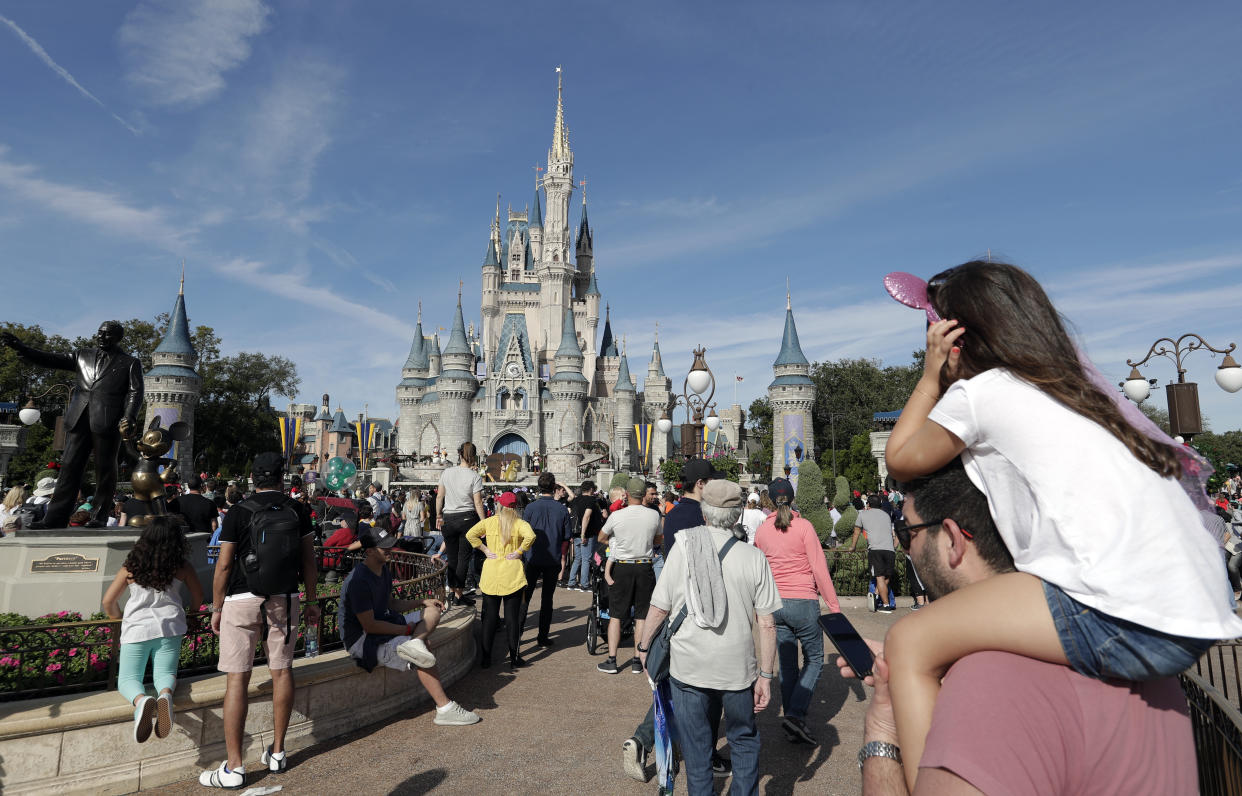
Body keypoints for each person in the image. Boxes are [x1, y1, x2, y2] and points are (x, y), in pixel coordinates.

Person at [880, 260, 1241, 788]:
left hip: (1117, 614)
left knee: (910, 643)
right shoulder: (1074, 393)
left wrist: (932, 373)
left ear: (956, 338)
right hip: (1194, 620)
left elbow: (901, 458)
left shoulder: (983, 393)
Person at [845, 459, 1195, 794]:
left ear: (953, 539)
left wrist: (882, 735)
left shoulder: (986, 680)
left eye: (907, 532)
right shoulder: (1130, 649)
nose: (907, 547)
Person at [637, 479, 780, 796]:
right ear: (737, 515)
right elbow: (767, 623)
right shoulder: (753, 557)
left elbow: (659, 607)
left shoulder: (683, 548)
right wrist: (766, 675)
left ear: (704, 513)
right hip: (737, 669)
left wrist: (644, 647)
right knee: (743, 739)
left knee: (697, 746)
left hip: (689, 666)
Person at [200, 452, 319, 789]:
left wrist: (217, 606)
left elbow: (223, 565)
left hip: (241, 597)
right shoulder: (298, 510)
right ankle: (279, 752)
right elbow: (309, 562)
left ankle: (235, 766)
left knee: (237, 680)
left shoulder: (238, 511)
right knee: (282, 672)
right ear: (283, 477)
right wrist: (311, 601)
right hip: (285, 596)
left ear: (253, 478)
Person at [1, 322, 143, 528]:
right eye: (99, 333)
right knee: (68, 467)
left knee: (104, 470)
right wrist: (22, 348)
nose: (101, 337)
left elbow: (135, 391)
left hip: (107, 420)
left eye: (106, 334)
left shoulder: (129, 362)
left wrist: (129, 416)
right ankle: (54, 518)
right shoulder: (82, 355)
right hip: (78, 417)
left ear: (117, 338)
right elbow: (51, 359)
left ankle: (99, 515)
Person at [341, 527, 480, 726]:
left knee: (432, 610)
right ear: (369, 551)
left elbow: (391, 604)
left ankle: (415, 642)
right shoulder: (358, 581)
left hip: (384, 624)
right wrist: (405, 631)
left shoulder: (382, 568)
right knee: (422, 651)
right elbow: (370, 626)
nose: (390, 550)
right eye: (384, 548)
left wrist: (422, 602)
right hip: (362, 641)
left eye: (390, 545)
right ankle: (444, 708)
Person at [101, 516, 204, 744]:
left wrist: (119, 622)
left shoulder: (132, 566)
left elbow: (109, 601)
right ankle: (165, 694)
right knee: (165, 674)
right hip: (170, 625)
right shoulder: (182, 565)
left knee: (128, 679)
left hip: (137, 627)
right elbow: (198, 595)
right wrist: (194, 614)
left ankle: (141, 702)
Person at [754, 477, 841, 745]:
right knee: (814, 659)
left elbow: (757, 569)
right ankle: (795, 713)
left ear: (768, 499)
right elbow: (818, 568)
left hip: (775, 604)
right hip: (803, 600)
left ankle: (793, 719)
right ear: (792, 498)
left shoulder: (761, 531)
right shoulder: (804, 526)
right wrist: (834, 607)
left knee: (788, 663)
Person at [596, 477, 662, 675]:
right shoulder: (653, 516)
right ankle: (636, 658)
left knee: (616, 614)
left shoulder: (617, 516)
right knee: (641, 615)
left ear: (627, 494)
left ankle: (612, 659)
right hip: (644, 565)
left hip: (623, 566)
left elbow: (601, 537)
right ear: (643, 494)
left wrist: (617, 543)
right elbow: (659, 538)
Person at [466, 491, 535, 669]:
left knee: (489, 619)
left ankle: (486, 658)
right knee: (512, 619)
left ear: (500, 505)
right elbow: (531, 536)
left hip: (492, 573)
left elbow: (470, 535)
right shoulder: (520, 523)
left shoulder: (489, 522)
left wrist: (484, 549)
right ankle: (514, 658)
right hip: (512, 574)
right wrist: (520, 551)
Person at [521, 472, 574, 648]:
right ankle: (542, 637)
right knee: (547, 599)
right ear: (553, 488)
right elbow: (567, 536)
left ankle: (518, 633)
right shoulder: (561, 509)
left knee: (525, 597)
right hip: (552, 558)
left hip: (533, 557)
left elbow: (523, 533)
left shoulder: (530, 508)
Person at [436, 442, 486, 607]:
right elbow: (478, 502)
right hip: (467, 519)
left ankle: (453, 593)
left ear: (459, 454)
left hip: (448, 518)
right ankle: (458, 594)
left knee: (451, 557)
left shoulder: (447, 472)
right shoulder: (474, 476)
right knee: (463, 558)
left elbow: (439, 497)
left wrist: (438, 515)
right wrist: (483, 523)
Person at [846, 494, 897, 612]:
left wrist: (852, 547)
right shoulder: (886, 515)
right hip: (890, 549)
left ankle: (885, 605)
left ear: (868, 504)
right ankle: (876, 595)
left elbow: (856, 532)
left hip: (875, 550)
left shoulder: (862, 514)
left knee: (879, 577)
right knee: (887, 576)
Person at [663, 458, 718, 555]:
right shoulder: (703, 514)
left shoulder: (671, 514)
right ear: (700, 483)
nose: (715, 486)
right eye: (712, 482)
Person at [567, 480, 603, 590]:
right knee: (586, 559)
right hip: (587, 534)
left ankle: (571, 582)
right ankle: (584, 584)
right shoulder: (591, 500)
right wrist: (583, 534)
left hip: (575, 533)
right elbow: (586, 517)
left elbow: (570, 516)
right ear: (591, 489)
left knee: (578, 558)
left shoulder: (575, 500)